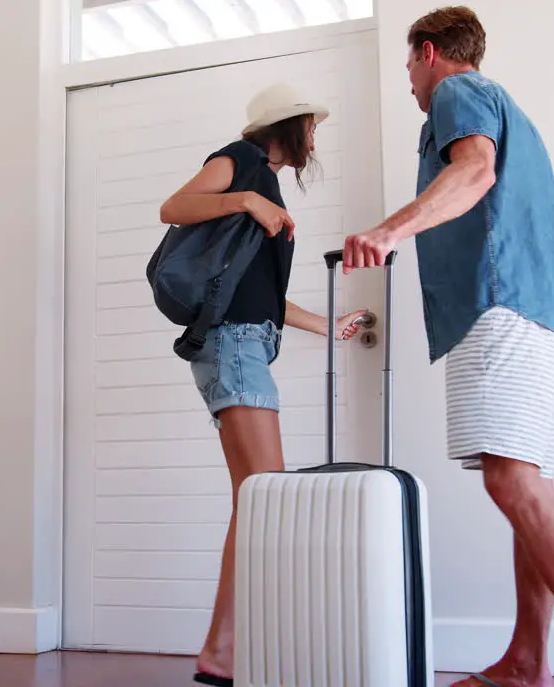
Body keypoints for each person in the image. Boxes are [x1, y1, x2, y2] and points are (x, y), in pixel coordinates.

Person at [341, 7, 554, 687]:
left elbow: (473, 173)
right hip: (537, 310)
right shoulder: (515, 116)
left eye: (408, 70)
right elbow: (548, 221)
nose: (411, 86)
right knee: (525, 484)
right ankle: (528, 661)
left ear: (426, 53)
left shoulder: (457, 93)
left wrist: (389, 232)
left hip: (501, 304)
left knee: (513, 483)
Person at [160, 83, 370, 687]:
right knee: (265, 500)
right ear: (291, 124)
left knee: (256, 501)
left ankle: (225, 649)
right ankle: (227, 649)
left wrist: (326, 326)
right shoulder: (241, 162)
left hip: (246, 343)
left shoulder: (265, 181)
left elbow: (262, 298)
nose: (315, 138)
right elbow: (173, 207)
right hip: (233, 348)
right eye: (312, 126)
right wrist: (246, 199)